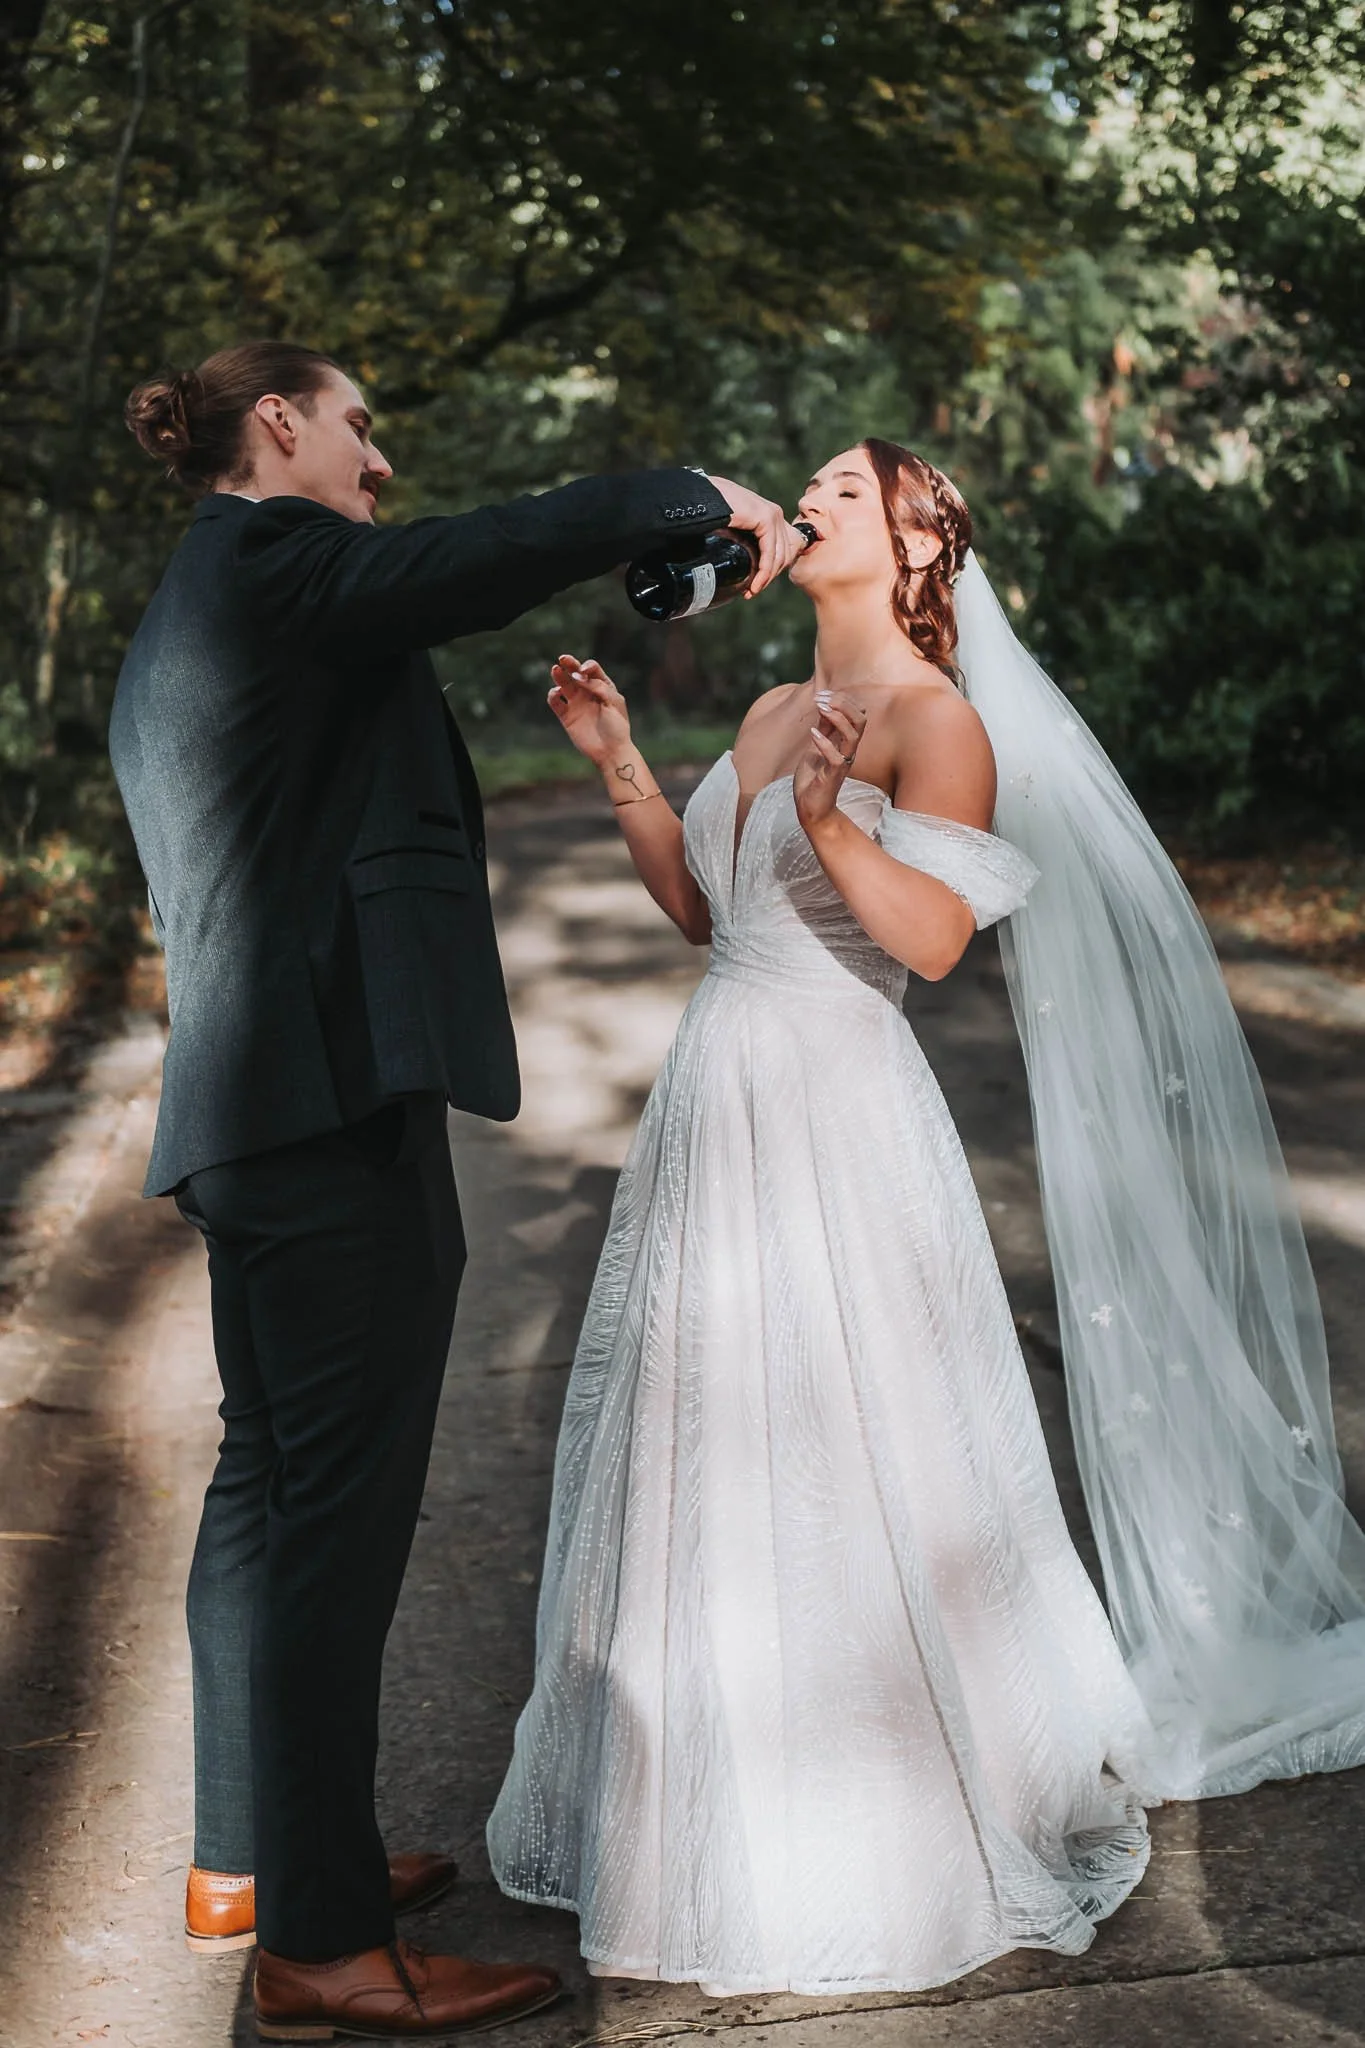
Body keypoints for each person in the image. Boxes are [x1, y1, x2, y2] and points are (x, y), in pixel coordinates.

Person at [487, 438, 1365, 1993]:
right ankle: (701, 1806)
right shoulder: (769, 707)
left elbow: (938, 940)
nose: (809, 498)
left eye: (844, 486)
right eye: (811, 484)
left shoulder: (936, 719)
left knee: (856, 1434)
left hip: (841, 1103)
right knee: (706, 1424)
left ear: (911, 545)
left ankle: (889, 1797)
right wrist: (619, 756)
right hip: (715, 1100)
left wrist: (836, 822)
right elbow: (705, 912)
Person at [109, 338, 805, 2039]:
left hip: (261, 1115)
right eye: (360, 426)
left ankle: (253, 1861)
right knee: (331, 1531)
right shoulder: (274, 562)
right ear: (280, 422)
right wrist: (688, 496)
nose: (379, 462)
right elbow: (478, 556)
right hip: (325, 1117)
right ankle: (323, 1946)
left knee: (271, 1488)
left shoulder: (213, 594)